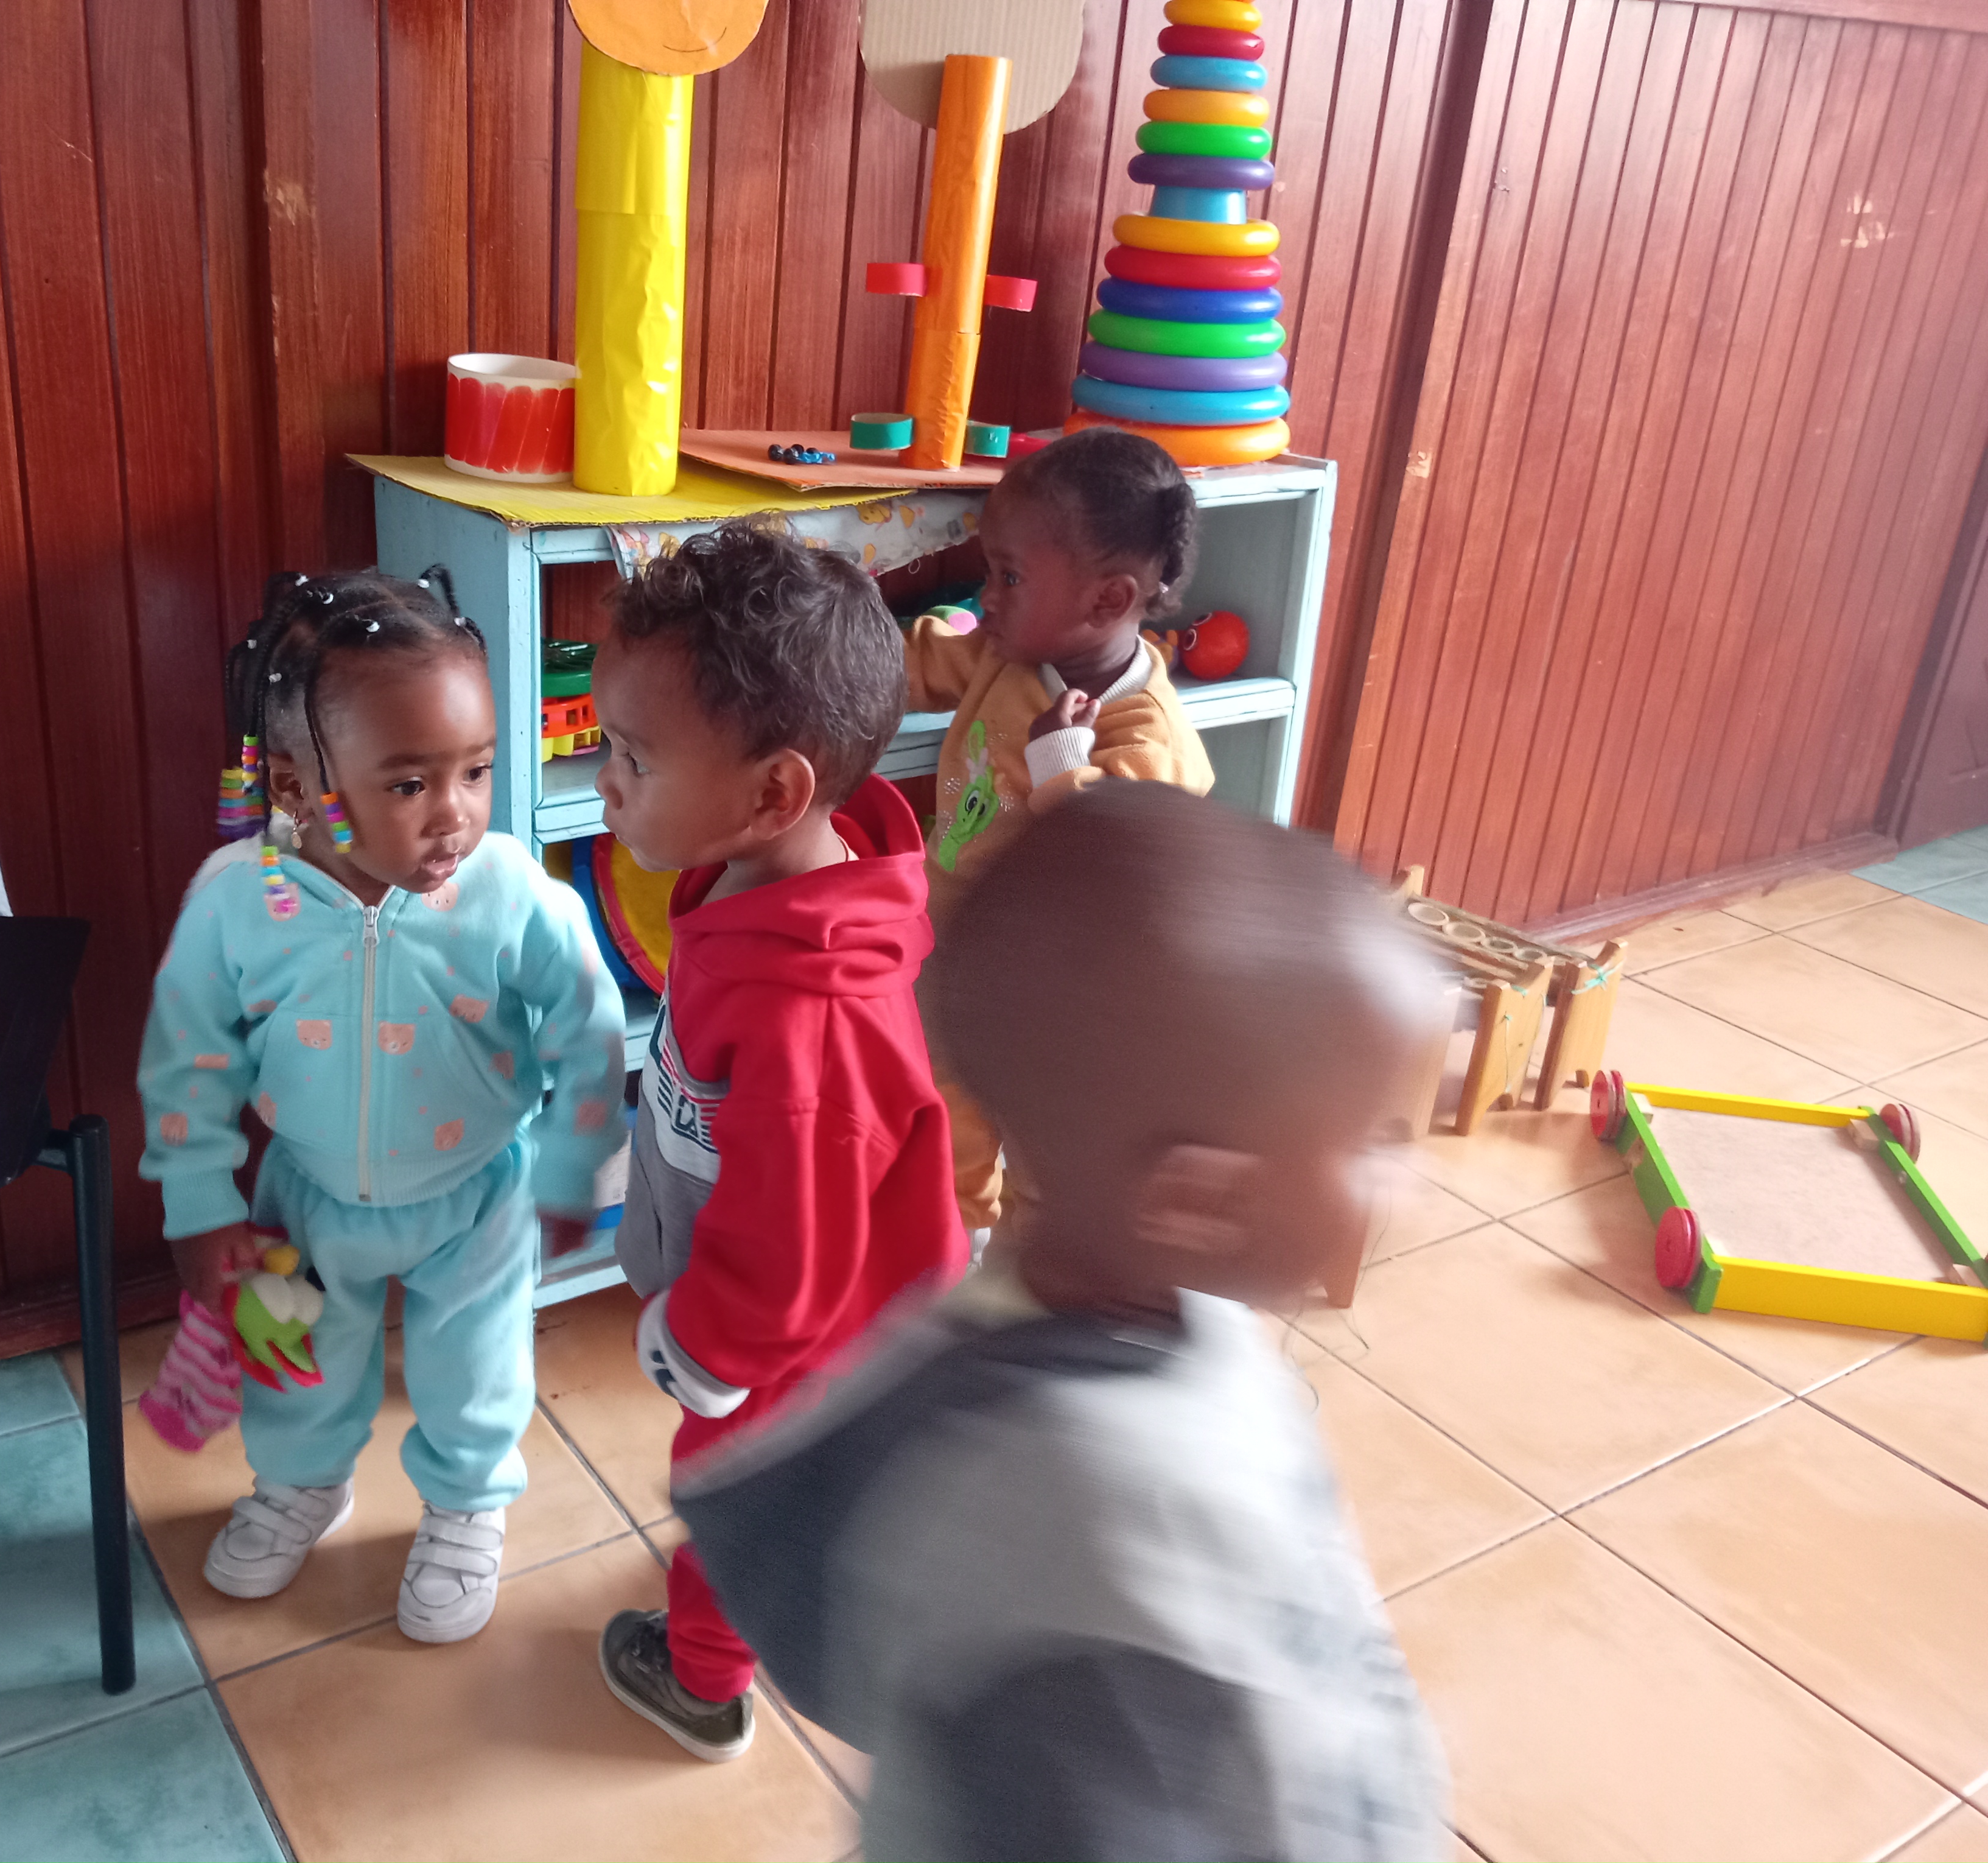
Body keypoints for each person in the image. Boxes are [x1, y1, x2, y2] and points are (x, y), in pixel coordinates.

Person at [672, 781, 1454, 1862]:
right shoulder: (1086, 1541)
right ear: (1199, 1200)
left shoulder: (1175, 1307)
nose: (1405, 1178)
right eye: (1373, 1139)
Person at [137, 568, 627, 1641]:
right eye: (410, 784)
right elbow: (187, 1061)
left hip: (480, 1192)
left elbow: (586, 1026)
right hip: (305, 1195)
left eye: (477, 770)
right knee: (297, 1363)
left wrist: (572, 1162)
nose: (455, 813)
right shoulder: (239, 899)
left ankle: (466, 1506)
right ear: (295, 785)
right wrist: (199, 1207)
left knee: (475, 1371)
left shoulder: (509, 891)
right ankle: (302, 1485)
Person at [586, 521, 971, 1762]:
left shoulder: (813, 1014)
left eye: (633, 758)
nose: (605, 782)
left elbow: (790, 1251)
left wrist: (709, 1347)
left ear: (773, 795)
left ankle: (703, 1683)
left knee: (736, 1492)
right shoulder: (763, 882)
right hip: (808, 1301)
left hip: (810, 1335)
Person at [906, 425, 1216, 1246]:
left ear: (1107, 601)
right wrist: (835, 656)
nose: (987, 597)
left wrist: (1060, 762)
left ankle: (1055, 1264)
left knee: (1052, 1143)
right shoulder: (1006, 655)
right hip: (955, 949)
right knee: (947, 1111)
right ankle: (955, 1250)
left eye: (1009, 577)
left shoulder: (1150, 735)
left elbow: (1110, 847)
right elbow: (922, 661)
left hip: (1064, 993)